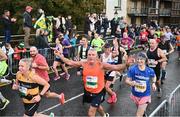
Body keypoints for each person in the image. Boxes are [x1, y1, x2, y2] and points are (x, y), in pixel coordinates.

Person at [54, 48, 131, 117]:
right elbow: (70, 62)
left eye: (93, 55)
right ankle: (104, 115)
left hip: (99, 92)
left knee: (91, 113)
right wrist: (60, 56)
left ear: (97, 56)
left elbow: (116, 67)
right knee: (97, 106)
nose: (91, 56)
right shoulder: (83, 63)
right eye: (89, 55)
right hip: (88, 91)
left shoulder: (101, 65)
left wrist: (126, 64)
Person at [125, 52, 157, 117]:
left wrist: (153, 83)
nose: (139, 61)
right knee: (139, 109)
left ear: (145, 60)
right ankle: (144, 114)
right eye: (138, 59)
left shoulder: (149, 70)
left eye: (141, 59)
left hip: (145, 95)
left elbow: (154, 76)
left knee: (138, 115)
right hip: (135, 94)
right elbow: (127, 80)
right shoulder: (133, 69)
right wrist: (131, 83)